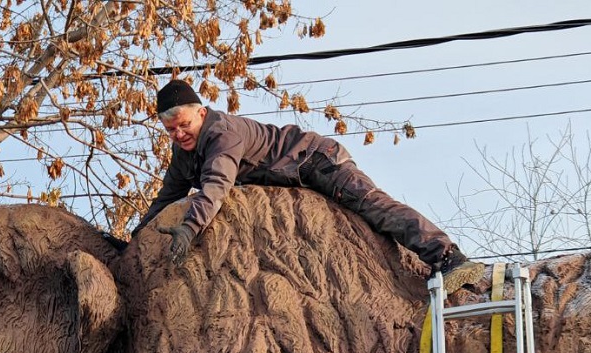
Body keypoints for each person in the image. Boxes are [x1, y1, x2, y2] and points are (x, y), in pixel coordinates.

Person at [135, 79, 484, 292]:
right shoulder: (184, 154)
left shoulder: (222, 134)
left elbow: (216, 185)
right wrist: (134, 242)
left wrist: (189, 228)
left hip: (316, 161)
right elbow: (166, 198)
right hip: (296, 180)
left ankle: (448, 256)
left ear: (200, 112)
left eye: (183, 125)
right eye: (170, 130)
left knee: (373, 207)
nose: (178, 134)